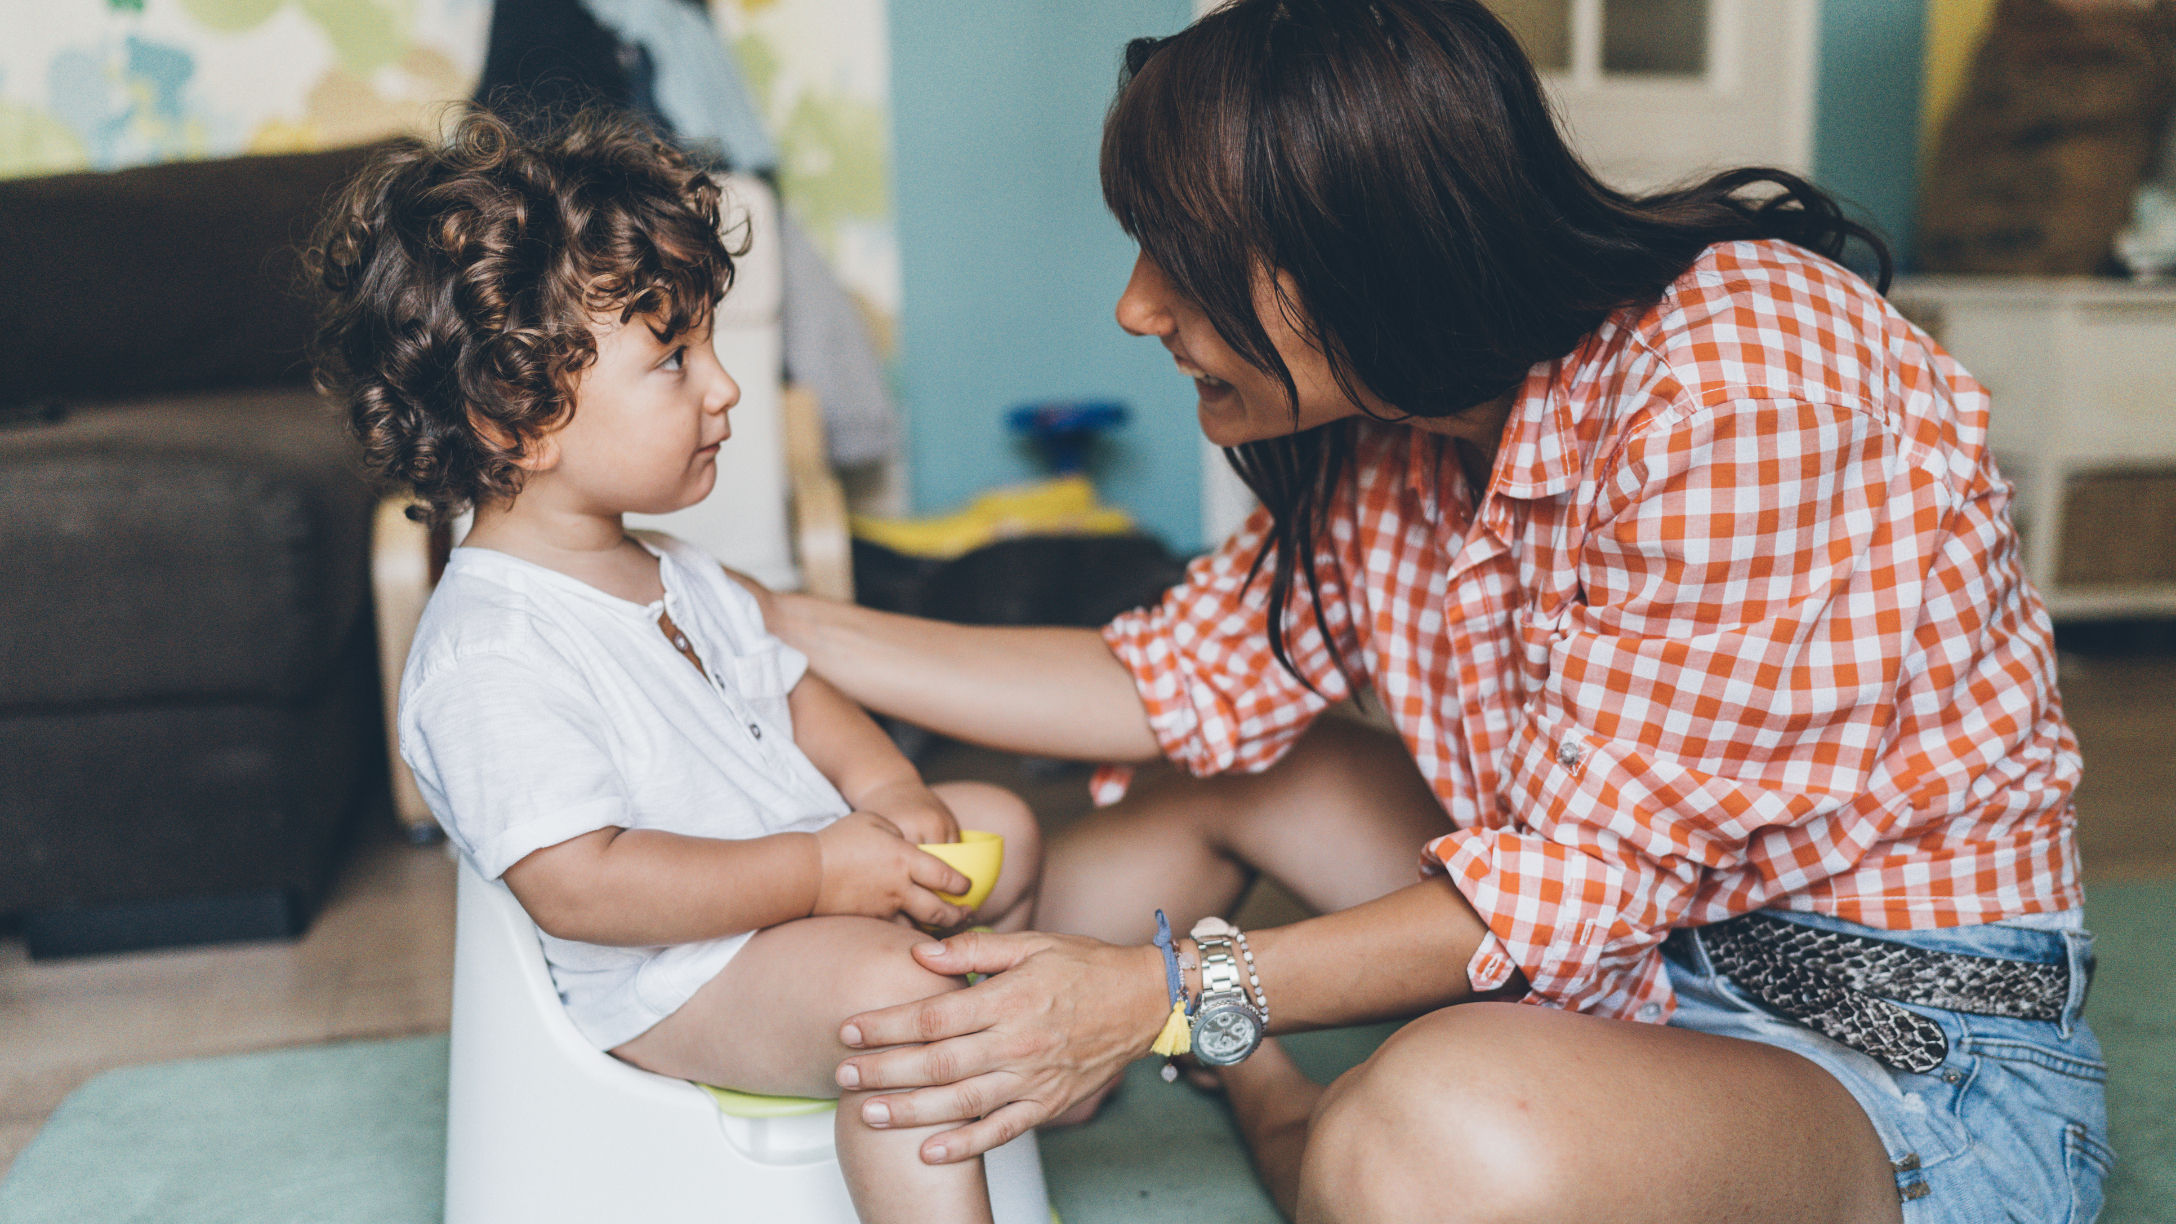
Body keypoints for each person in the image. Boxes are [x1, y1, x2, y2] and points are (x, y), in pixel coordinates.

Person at [730, 3, 2109, 1222]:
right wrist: (760, 618)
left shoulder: (1745, 383)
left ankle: (1272, 1107)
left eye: (1182, 253)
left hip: (1899, 1057)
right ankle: (969, 1037)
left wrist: (1159, 999)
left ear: (1363, 246)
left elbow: (1581, 885)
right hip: (1628, 954)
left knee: (1427, 1133)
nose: (1136, 303)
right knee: (1223, 779)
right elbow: (1161, 679)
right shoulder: (1398, 421)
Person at [310, 108, 1041, 1224]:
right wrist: (816, 876)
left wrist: (892, 793)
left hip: (805, 898)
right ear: (516, 418)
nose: (724, 388)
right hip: (677, 977)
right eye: (673, 360)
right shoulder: (491, 654)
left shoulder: (675, 569)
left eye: (709, 347)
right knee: (910, 1009)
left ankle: (1014, 1098)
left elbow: (794, 690)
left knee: (1005, 821)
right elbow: (582, 885)